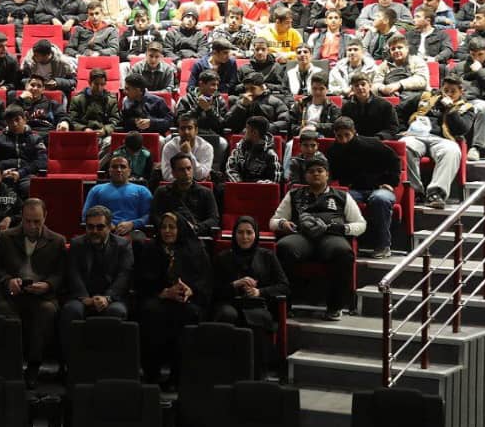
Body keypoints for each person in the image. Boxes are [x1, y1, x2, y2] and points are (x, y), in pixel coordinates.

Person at [269, 157, 365, 320]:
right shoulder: (294, 194)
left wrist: (344, 229)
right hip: (302, 236)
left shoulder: (342, 196)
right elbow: (273, 222)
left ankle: (335, 307)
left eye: (320, 171)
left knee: (344, 253)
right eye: (311, 171)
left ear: (327, 175)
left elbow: (361, 224)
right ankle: (284, 305)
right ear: (305, 176)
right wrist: (283, 223)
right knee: (284, 247)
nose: (316, 174)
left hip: (331, 236)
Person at [0, 197, 66, 388]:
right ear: (21, 218)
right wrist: (7, 281)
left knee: (46, 311)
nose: (32, 226)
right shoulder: (6, 237)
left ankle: (34, 366)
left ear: (45, 217)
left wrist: (47, 285)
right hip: (12, 294)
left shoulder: (57, 240)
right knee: (4, 311)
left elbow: (61, 273)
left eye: (37, 221)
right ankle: (12, 366)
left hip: (42, 295)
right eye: (28, 221)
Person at [136, 212, 211, 387]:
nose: (167, 231)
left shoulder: (195, 249)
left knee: (189, 313)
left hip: (187, 301)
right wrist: (163, 292)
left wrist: (190, 290)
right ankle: (152, 374)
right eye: (163, 227)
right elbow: (141, 281)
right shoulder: (151, 248)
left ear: (181, 229)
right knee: (150, 311)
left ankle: (178, 376)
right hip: (158, 297)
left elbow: (205, 280)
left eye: (172, 227)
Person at [212, 216, 290, 372]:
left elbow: (284, 286)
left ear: (256, 234)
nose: (244, 237)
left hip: (257, 304)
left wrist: (259, 291)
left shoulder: (267, 256)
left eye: (249, 232)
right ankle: (224, 370)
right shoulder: (222, 257)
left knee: (257, 317)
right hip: (229, 302)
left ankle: (256, 372)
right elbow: (213, 289)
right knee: (227, 315)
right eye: (240, 232)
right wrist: (235, 285)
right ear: (234, 234)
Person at [328, 117, 401, 258]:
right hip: (354, 189)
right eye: (339, 136)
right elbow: (333, 174)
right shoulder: (333, 150)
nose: (343, 140)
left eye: (347, 135)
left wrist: (390, 182)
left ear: (354, 132)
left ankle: (384, 245)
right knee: (340, 200)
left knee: (380, 199)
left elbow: (394, 160)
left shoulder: (372, 143)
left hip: (380, 189)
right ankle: (346, 245)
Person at [59, 205, 133, 337]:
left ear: (110, 227)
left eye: (100, 227)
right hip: (82, 296)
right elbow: (73, 273)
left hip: (112, 298)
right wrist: (85, 297)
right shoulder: (77, 244)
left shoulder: (123, 245)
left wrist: (107, 298)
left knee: (116, 311)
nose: (94, 231)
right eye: (90, 227)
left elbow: (124, 276)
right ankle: (73, 350)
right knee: (72, 310)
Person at [402, 81, 473, 209]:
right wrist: (401, 129)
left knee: (452, 151)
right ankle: (415, 192)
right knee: (405, 145)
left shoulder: (466, 107)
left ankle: (435, 194)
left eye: (453, 91)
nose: (448, 94)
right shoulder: (425, 97)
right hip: (416, 135)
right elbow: (399, 110)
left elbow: (462, 129)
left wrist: (451, 110)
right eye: (446, 90)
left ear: (461, 92)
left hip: (442, 139)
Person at [453, 37, 485, 161]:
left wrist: (480, 72)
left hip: (475, 101)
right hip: (457, 100)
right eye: (473, 54)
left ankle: (476, 148)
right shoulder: (458, 67)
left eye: (480, 54)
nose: (476, 58)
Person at [149, 152, 220, 236]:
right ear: (173, 173)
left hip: (196, 236)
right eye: (181, 170)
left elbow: (214, 219)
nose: (186, 173)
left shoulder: (206, 193)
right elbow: (154, 216)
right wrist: (169, 227)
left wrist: (196, 228)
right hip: (169, 236)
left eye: (189, 168)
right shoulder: (162, 192)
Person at [82, 156, 152, 238]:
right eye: (114, 167)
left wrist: (132, 224)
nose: (118, 170)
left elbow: (149, 215)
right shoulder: (96, 190)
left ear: (129, 171)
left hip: (133, 233)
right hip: (103, 233)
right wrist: (106, 224)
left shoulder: (142, 190)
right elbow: (86, 215)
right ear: (109, 171)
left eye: (123, 167)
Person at [0, 104, 48, 197]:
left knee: (32, 190)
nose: (14, 124)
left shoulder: (35, 138)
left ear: (24, 119)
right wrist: (0, 172)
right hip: (3, 176)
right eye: (10, 121)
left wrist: (21, 173)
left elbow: (43, 161)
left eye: (17, 120)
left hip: (26, 176)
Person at [373, 35, 430, 105]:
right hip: (391, 100)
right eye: (393, 49)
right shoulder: (384, 66)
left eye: (400, 47)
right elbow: (375, 84)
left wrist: (399, 85)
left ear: (407, 49)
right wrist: (383, 89)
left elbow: (422, 80)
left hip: (416, 99)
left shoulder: (417, 61)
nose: (396, 51)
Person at [341, 73, 400, 139]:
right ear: (352, 89)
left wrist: (378, 137)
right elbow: (343, 127)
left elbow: (393, 128)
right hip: (355, 141)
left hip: (378, 141)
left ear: (370, 85)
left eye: (363, 84)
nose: (360, 87)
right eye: (356, 85)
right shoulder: (346, 107)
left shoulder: (385, 105)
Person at [68, 67, 121, 138]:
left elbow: (115, 120)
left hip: (104, 134)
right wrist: (83, 129)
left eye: (102, 84)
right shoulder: (77, 99)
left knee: (109, 141)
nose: (99, 88)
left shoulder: (111, 100)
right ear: (90, 82)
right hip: (83, 134)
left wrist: (105, 130)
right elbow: (72, 120)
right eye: (96, 84)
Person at [225, 116, 281, 183]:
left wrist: (261, 184)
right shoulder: (240, 148)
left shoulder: (270, 154)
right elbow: (230, 169)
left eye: (246, 129)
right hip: (239, 186)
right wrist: (239, 184)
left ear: (254, 132)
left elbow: (275, 179)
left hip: (260, 188)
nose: (244, 131)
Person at [160, 114, 213, 182]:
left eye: (190, 128)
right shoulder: (170, 147)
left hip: (199, 186)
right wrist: (186, 180)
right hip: (176, 185)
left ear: (196, 130)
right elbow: (167, 175)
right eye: (182, 128)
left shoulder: (206, 148)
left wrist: (188, 153)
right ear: (178, 130)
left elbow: (200, 175)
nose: (186, 132)